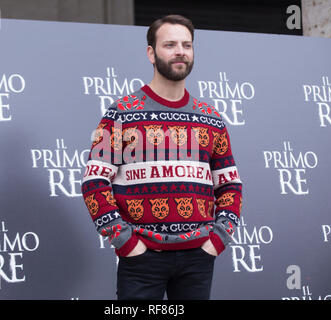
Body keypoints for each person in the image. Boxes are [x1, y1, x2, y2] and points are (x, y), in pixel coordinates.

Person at [81, 14, 243, 300]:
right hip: (142, 257)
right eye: (170, 44)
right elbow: (94, 181)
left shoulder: (211, 118)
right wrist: (125, 241)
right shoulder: (121, 114)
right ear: (151, 53)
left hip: (198, 257)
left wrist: (217, 240)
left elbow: (230, 185)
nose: (180, 51)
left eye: (187, 45)